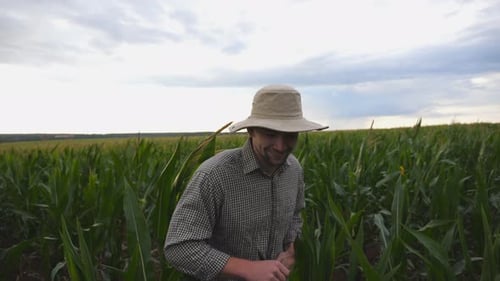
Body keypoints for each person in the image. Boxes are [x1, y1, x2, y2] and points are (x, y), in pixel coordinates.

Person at [164, 84, 328, 281]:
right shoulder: (215, 175)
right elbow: (179, 248)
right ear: (251, 130)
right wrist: (247, 268)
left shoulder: (293, 169)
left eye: (290, 136)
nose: (281, 146)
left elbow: (294, 216)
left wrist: (292, 250)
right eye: (270, 134)